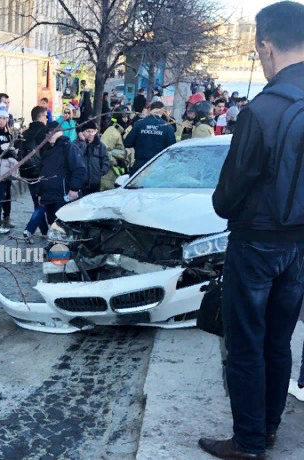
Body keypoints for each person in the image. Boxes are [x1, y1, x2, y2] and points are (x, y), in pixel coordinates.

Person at [200, 3, 304, 459]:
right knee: (279, 342)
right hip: (299, 246)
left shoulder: (263, 109)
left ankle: (248, 443)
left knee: (246, 343)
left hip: (257, 242)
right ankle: (269, 429)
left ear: (266, 44)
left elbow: (226, 197)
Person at [38, 121, 86, 224]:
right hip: (48, 196)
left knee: (62, 224)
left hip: (63, 195)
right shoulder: (46, 150)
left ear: (60, 133)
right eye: (48, 133)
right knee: (52, 223)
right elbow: (42, 172)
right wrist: (40, 193)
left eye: (53, 132)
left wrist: (74, 189)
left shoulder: (68, 147)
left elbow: (79, 168)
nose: (50, 135)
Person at [123, 100, 176, 174]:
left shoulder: (139, 124)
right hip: (158, 167)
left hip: (140, 166)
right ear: (162, 111)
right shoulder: (168, 127)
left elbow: (127, 143)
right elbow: (172, 149)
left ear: (150, 110)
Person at [21, 106, 49, 243]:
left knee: (37, 201)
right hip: (41, 172)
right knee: (42, 203)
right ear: (41, 117)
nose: (47, 119)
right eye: (46, 116)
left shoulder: (26, 133)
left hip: (27, 173)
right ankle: (29, 229)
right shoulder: (45, 132)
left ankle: (44, 231)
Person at [100, 107, 133, 191]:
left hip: (116, 175)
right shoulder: (112, 132)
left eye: (127, 117)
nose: (126, 120)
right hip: (109, 176)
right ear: (118, 118)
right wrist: (115, 160)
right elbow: (103, 150)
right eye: (124, 117)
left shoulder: (120, 132)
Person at [73, 120, 108, 196]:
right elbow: (76, 157)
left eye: (93, 131)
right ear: (82, 132)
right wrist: (83, 142)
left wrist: (102, 172)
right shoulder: (75, 144)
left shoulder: (100, 145)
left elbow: (105, 159)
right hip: (81, 182)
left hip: (95, 181)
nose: (91, 134)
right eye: (88, 131)